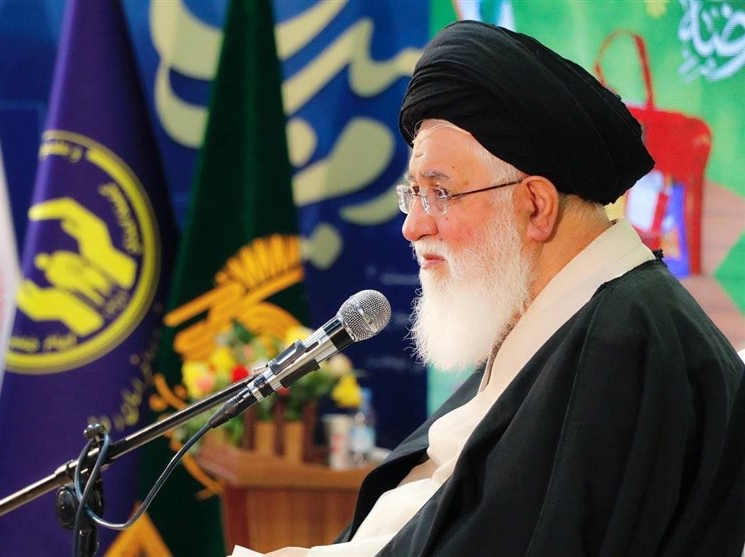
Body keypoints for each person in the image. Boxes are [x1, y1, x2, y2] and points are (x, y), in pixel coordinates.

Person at [232, 20, 745, 557]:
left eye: (440, 193)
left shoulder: (623, 348)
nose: (413, 226)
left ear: (536, 207)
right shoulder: (559, 325)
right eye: (414, 193)